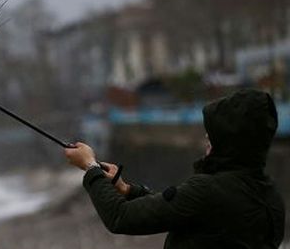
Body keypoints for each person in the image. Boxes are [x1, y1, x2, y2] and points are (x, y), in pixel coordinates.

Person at [64, 88, 286, 248]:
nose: (206, 142)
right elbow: (183, 210)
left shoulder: (207, 190)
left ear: (230, 142)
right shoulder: (270, 197)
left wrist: (90, 166)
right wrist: (128, 190)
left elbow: (120, 217)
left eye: (211, 139)